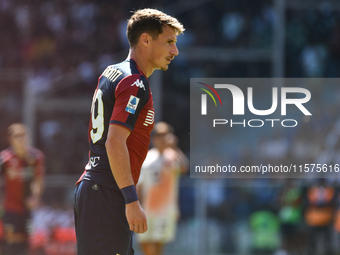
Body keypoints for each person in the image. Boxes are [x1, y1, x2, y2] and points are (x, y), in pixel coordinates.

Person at [73, 8, 185, 255]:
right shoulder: (135, 81)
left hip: (97, 188)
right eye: (169, 42)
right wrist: (131, 200)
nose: (175, 51)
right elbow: (114, 142)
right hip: (107, 191)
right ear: (145, 39)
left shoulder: (114, 72)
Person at [137, 122, 188, 255]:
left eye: (165, 134)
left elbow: (184, 168)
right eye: (159, 134)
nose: (162, 138)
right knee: (144, 242)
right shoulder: (147, 157)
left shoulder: (173, 156)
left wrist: (175, 148)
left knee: (158, 244)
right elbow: (140, 184)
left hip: (165, 209)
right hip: (147, 209)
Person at [0, 123, 45, 255]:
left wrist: (35, 197)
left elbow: (38, 180)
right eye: (17, 136)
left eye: (23, 135)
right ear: (11, 139)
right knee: (10, 243)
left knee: (26, 244)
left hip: (27, 209)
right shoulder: (5, 159)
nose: (21, 139)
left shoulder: (36, 157)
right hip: (10, 208)